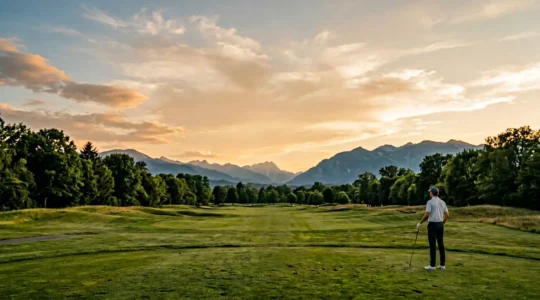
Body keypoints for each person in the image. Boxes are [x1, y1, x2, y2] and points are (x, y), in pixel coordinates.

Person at [416, 187, 449, 270]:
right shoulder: (443, 202)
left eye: (430, 192)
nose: (429, 193)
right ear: (437, 193)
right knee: (441, 244)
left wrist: (420, 223)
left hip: (432, 225)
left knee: (432, 245)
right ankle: (442, 265)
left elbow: (427, 214)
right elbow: (447, 215)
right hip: (440, 224)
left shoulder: (430, 202)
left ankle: (432, 265)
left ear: (431, 193)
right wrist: (442, 223)